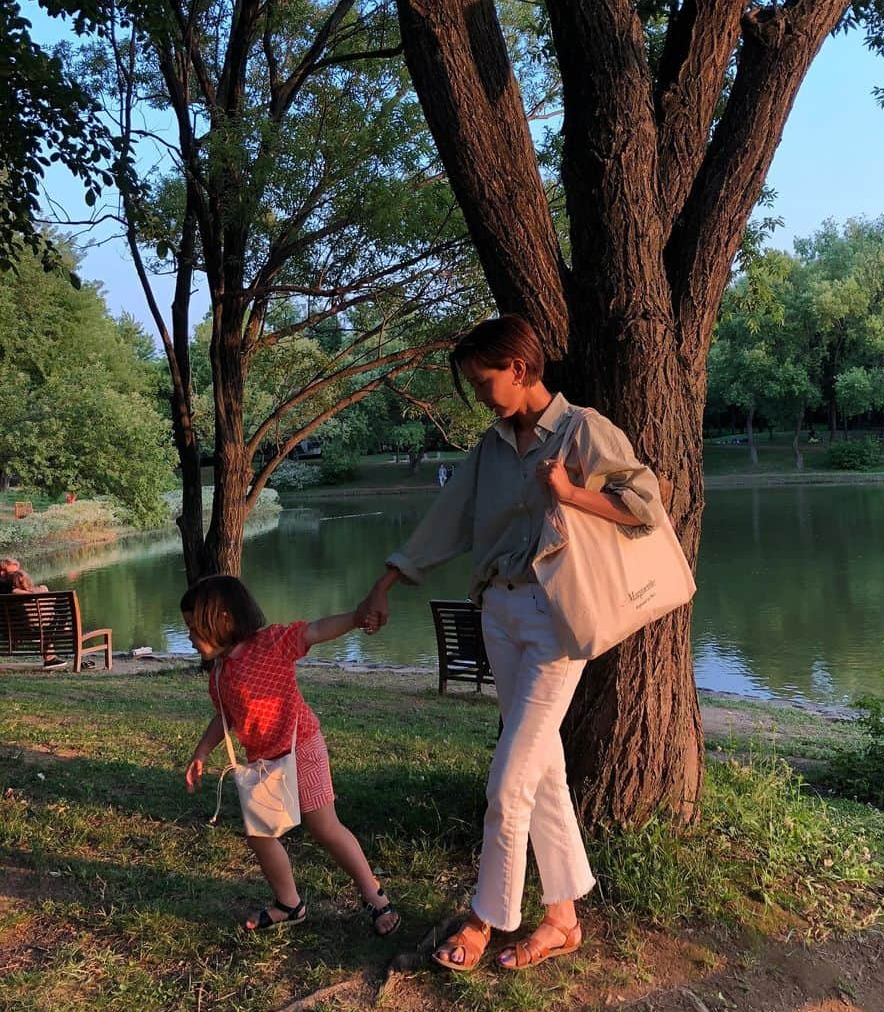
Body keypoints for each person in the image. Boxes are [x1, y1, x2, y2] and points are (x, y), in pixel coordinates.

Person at [355, 314, 663, 973]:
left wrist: (572, 493)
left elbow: (646, 505)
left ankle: (485, 917)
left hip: (558, 621)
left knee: (509, 780)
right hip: (499, 615)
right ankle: (562, 921)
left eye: (484, 379)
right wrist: (386, 582)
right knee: (540, 768)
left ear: (521, 368)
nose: (479, 393)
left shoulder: (584, 429)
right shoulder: (490, 450)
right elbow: (447, 522)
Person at [183, 575, 400, 936]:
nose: (190, 637)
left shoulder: (270, 644)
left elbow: (315, 630)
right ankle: (289, 903)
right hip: (264, 763)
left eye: (194, 628)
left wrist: (356, 616)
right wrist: (202, 752)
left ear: (222, 619)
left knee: (325, 827)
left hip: (303, 749)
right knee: (260, 835)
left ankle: (374, 894)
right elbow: (225, 716)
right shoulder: (219, 673)